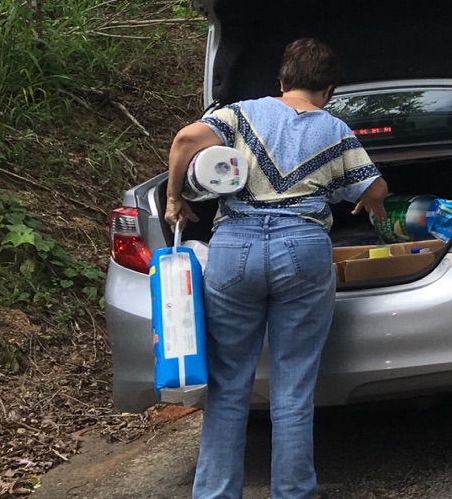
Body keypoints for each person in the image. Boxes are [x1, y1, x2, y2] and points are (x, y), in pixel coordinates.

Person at [164, 38, 389, 499]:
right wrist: (368, 200)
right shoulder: (335, 129)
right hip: (303, 249)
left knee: (228, 388)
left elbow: (187, 139)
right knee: (293, 388)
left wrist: (174, 197)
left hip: (234, 248)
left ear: (282, 80)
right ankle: (292, 492)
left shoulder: (239, 115)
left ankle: (215, 494)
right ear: (328, 89)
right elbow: (377, 187)